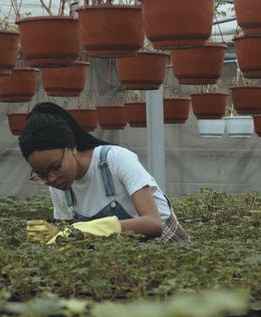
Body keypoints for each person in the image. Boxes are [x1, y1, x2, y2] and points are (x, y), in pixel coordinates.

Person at [19, 101, 190, 244]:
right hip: (121, 262)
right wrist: (58, 236)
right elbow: (80, 239)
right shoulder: (59, 188)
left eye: (55, 167)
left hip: (166, 251)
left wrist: (104, 228)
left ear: (72, 147)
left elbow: (154, 223)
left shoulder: (115, 159)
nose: (51, 178)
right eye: (41, 175)